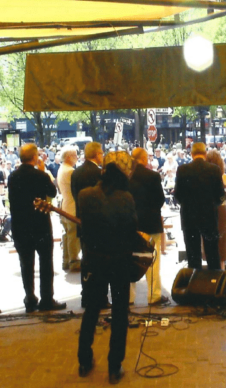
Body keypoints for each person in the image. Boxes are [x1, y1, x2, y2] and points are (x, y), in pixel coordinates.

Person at [76, 152, 139, 383]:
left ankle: (84, 360)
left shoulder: (84, 195)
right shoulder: (126, 198)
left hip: (93, 260)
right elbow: (132, 228)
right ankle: (114, 367)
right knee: (120, 312)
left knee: (91, 310)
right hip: (119, 261)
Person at [8, 144, 65, 313]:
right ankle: (47, 299)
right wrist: (44, 170)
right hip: (40, 225)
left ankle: (30, 299)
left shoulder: (13, 176)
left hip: (20, 225)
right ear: (34, 157)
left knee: (26, 263)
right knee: (45, 261)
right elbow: (53, 192)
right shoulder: (40, 175)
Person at [174, 142, 226, 270]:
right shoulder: (214, 170)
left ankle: (195, 286)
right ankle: (214, 286)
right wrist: (214, 205)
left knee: (193, 256)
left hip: (189, 218)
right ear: (205, 153)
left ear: (191, 154)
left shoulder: (182, 170)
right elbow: (221, 195)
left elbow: (177, 195)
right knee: (213, 255)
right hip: (209, 217)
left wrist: (186, 205)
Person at [128, 148, 168, 306]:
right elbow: (160, 200)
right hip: (150, 223)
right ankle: (154, 296)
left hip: (131, 224)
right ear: (144, 159)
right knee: (153, 260)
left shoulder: (126, 176)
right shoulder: (153, 176)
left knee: (129, 259)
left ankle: (129, 297)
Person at [71, 141, 105, 307]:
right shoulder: (98, 173)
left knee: (87, 260)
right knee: (101, 261)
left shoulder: (76, 173)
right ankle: (101, 297)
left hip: (82, 221)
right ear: (97, 154)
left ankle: (86, 295)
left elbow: (74, 194)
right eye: (102, 153)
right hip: (99, 223)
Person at [56, 146, 81, 272]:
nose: (77, 157)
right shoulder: (70, 171)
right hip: (72, 207)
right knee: (73, 235)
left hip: (65, 205)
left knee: (67, 235)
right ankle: (74, 260)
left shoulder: (61, 169)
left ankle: (66, 260)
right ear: (69, 157)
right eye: (75, 155)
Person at [205, 150, 226, 269]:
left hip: (207, 209)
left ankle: (211, 270)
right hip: (221, 209)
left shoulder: (205, 176)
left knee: (208, 238)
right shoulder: (224, 176)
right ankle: (222, 269)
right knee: (222, 239)